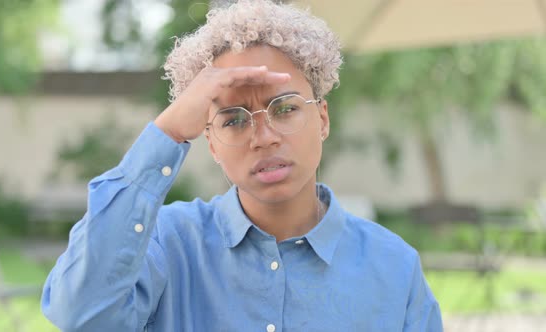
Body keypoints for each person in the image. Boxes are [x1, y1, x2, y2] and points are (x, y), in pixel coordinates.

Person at [41, 0, 443, 331]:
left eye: (284, 109)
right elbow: (79, 314)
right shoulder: (166, 244)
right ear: (211, 142)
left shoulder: (393, 267)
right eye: (233, 119)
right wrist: (167, 132)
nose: (263, 136)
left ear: (322, 118)